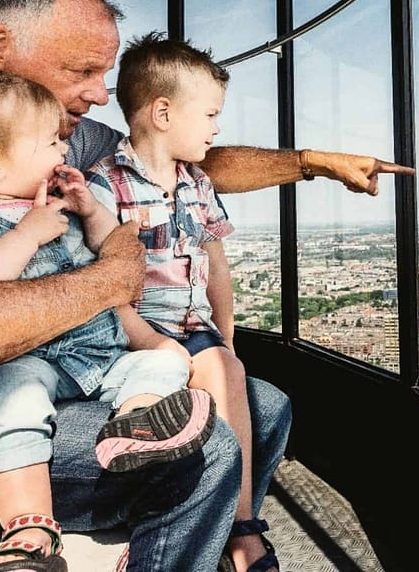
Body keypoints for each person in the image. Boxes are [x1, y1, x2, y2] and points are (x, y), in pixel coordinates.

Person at [0, 0, 414, 571]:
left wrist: (311, 163)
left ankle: (196, 542)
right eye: (83, 70)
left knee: (261, 409)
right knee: (204, 452)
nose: (100, 95)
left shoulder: (46, 127)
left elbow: (175, 158)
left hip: (48, 369)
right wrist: (107, 280)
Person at [0, 69, 219, 570]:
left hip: (97, 353)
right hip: (23, 358)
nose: (64, 153)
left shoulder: (62, 203)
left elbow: (107, 250)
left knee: (165, 364)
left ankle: (136, 424)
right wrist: (25, 234)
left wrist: (91, 210)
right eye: (51, 143)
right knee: (13, 403)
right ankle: (28, 529)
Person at [85, 31, 276, 571]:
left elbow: (215, 265)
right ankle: (238, 533)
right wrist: (156, 346)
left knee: (227, 372)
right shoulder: (105, 187)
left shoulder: (197, 184)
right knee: (207, 393)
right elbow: (103, 284)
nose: (218, 128)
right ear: (163, 112)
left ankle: (234, 523)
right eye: (211, 114)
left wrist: (227, 338)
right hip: (138, 333)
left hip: (195, 329)